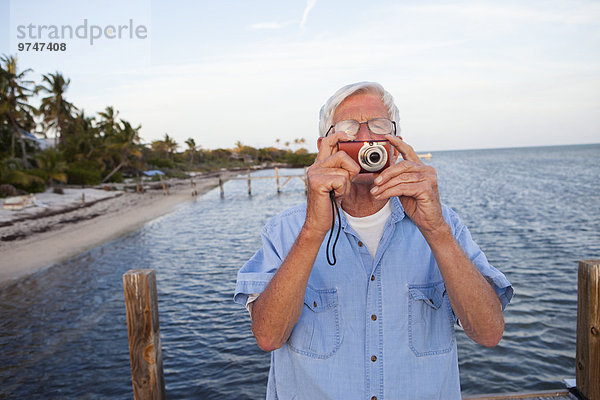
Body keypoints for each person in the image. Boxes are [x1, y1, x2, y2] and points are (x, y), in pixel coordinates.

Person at [234, 82, 513, 400]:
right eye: (348, 129)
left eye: (378, 127)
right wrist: (313, 231)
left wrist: (436, 232)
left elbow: (489, 332)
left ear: (395, 144)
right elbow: (268, 336)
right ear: (325, 146)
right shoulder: (285, 231)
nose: (365, 138)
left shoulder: (443, 223)